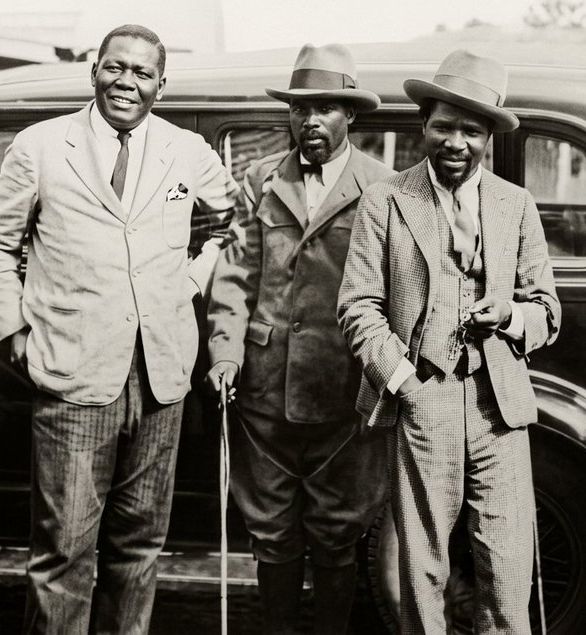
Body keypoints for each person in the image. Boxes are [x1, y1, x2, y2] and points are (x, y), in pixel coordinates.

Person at [0, 24, 240, 635]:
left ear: (161, 86)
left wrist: (190, 283)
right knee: (64, 550)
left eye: (143, 73)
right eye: (116, 68)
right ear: (94, 71)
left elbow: (228, 224)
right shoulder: (40, 146)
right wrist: (14, 327)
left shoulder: (188, 151)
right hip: (72, 373)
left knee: (140, 550)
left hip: (161, 377)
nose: (127, 82)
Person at [337, 49, 560, 634]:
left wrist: (510, 317)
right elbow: (357, 305)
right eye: (443, 126)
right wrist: (402, 379)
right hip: (422, 399)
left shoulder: (517, 206)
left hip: (500, 408)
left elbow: (547, 311)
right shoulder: (387, 199)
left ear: (488, 136)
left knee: (508, 566)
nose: (454, 141)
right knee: (421, 568)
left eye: (470, 129)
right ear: (424, 126)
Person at [205, 43, 394, 635]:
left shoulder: (385, 187)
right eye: (300, 109)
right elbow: (235, 276)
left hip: (344, 393)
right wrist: (226, 353)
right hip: (263, 393)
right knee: (272, 531)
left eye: (326, 108)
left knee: (339, 533)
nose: (310, 121)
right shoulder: (260, 180)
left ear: (351, 116)